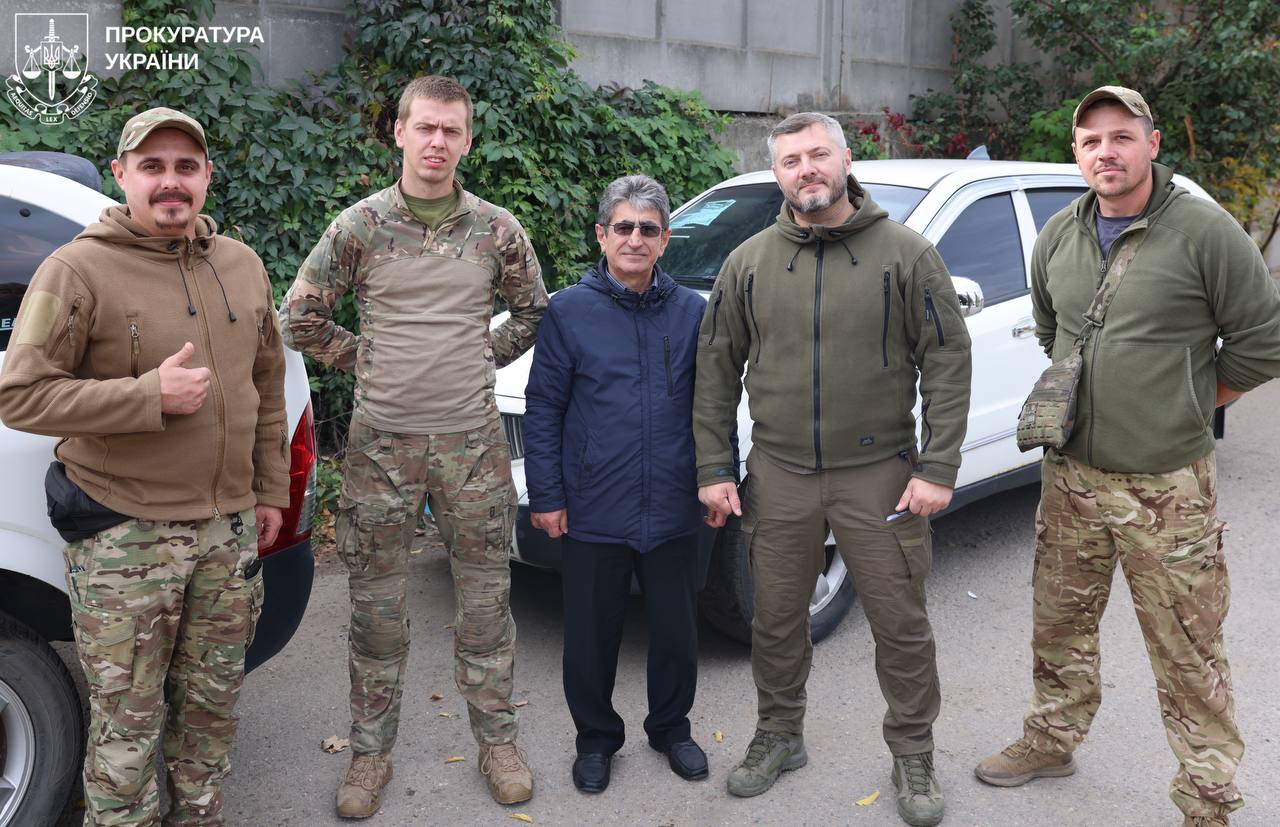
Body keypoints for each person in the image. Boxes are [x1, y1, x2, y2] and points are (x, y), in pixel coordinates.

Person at [974, 86, 1280, 827]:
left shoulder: (1205, 234)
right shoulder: (1060, 234)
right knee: (1060, 624)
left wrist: (1186, 401)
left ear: (1150, 144)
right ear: (1077, 155)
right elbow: (1055, 331)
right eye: (1089, 141)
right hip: (1071, 474)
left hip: (1168, 485)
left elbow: (1262, 342)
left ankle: (1207, 798)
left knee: (1187, 648)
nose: (1104, 152)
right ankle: (1051, 739)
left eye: (1120, 136)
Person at [0, 107, 289, 826]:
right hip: (126, 538)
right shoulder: (76, 268)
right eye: (152, 167)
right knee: (126, 739)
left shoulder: (242, 265)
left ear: (206, 177)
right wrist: (146, 396)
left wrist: (272, 488)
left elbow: (269, 383)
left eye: (185, 167)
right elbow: (20, 393)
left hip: (224, 537)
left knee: (210, 718)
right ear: (123, 175)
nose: (170, 182)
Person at [694, 112, 972, 826]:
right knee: (776, 620)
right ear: (778, 173)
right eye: (790, 160)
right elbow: (716, 369)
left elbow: (947, 359)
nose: (805, 169)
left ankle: (912, 751)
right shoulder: (748, 262)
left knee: (900, 622)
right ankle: (779, 735)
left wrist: (938, 464)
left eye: (818, 154)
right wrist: (714, 466)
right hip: (778, 473)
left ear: (847, 160)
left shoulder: (906, 254)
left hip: (879, 471)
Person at [280, 75, 548, 815]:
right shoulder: (360, 227)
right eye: (424, 127)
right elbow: (298, 315)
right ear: (397, 132)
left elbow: (532, 311)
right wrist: (366, 357)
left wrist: (476, 355)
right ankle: (370, 753)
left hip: (472, 446)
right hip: (380, 450)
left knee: (488, 601)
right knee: (376, 610)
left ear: (467, 140)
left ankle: (497, 739)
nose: (437, 142)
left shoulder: (496, 230)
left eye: (451, 130)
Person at [523, 174, 708, 794]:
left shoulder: (691, 313)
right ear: (602, 236)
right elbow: (543, 407)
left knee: (678, 633)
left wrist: (718, 479)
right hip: (594, 506)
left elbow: (713, 405)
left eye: (647, 229)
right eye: (623, 227)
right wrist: (547, 496)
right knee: (591, 638)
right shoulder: (569, 312)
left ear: (665, 240)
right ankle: (596, 739)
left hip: (677, 505)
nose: (635, 238)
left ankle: (671, 729)